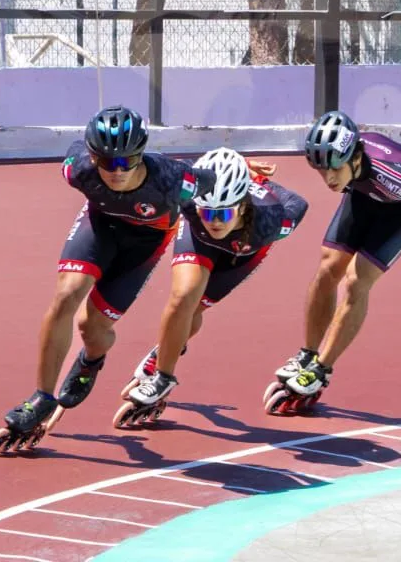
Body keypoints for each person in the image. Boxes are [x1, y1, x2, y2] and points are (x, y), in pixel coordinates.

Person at [0, 105, 217, 455]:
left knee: (91, 328)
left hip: (145, 243)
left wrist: (247, 172)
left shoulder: (172, 181)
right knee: (66, 295)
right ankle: (41, 397)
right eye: (107, 162)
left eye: (126, 162)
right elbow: (76, 152)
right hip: (100, 226)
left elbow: (215, 179)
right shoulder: (77, 170)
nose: (117, 171)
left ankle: (91, 359)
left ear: (140, 155)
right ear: (93, 157)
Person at [114, 147, 309, 427]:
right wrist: (238, 162)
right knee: (183, 298)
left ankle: (165, 349)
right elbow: (161, 162)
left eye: (225, 215)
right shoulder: (190, 201)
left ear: (243, 206)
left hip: (242, 252)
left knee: (193, 315)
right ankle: (162, 377)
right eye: (208, 212)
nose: (215, 222)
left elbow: (299, 204)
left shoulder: (272, 221)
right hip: (198, 239)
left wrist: (260, 182)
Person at [265, 110, 401, 414]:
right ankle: (308, 353)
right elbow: (379, 142)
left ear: (355, 158)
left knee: (356, 281)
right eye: (321, 170)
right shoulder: (351, 157)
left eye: (334, 169)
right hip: (364, 195)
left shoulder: (393, 178)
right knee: (327, 269)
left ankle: (321, 368)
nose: (329, 178)